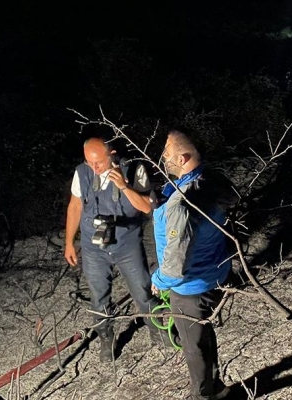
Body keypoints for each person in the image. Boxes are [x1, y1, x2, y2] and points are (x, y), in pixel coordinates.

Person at [151, 130, 236, 400]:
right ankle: (216, 386)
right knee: (203, 337)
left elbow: (176, 266)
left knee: (193, 348)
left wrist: (158, 281)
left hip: (190, 287)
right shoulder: (211, 180)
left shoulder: (183, 203)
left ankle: (203, 395)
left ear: (183, 157)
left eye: (166, 153)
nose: (162, 158)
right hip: (214, 273)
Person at [64, 137, 158, 362]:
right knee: (98, 295)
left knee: (142, 289)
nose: (94, 168)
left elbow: (147, 207)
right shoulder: (83, 172)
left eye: (99, 163)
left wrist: (124, 186)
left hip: (127, 242)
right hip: (93, 245)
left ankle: (158, 328)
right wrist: (69, 242)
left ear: (112, 154)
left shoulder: (134, 169)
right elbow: (75, 205)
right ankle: (106, 336)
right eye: (90, 162)